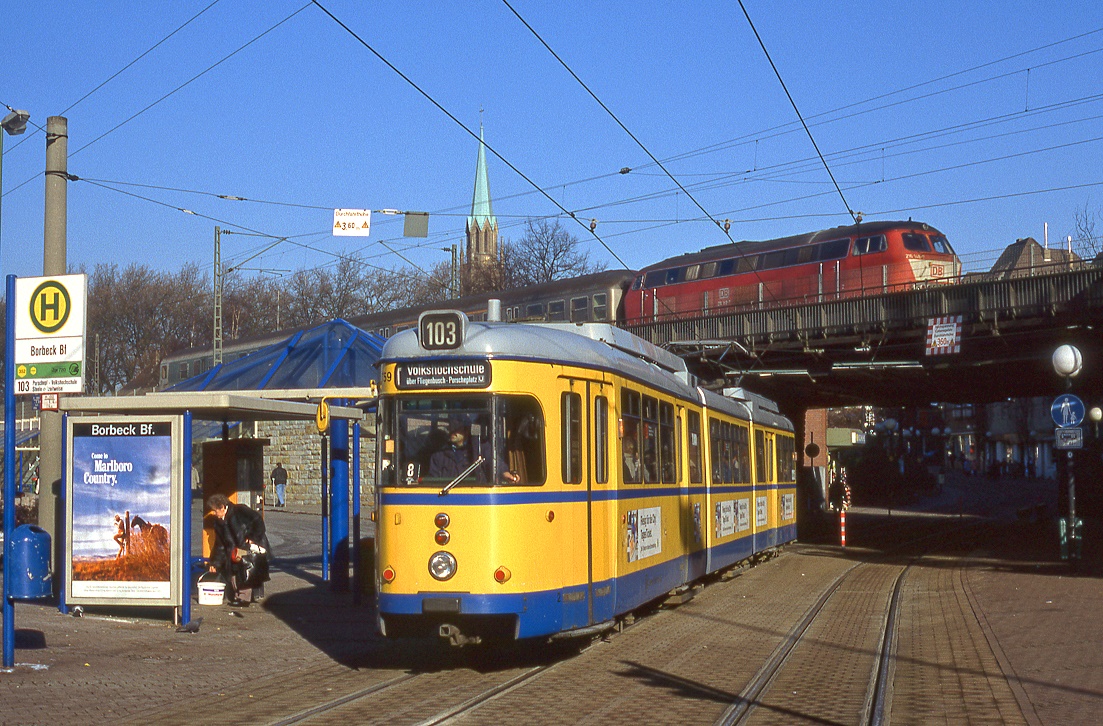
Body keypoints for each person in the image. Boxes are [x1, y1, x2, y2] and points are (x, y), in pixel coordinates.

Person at [205, 493, 271, 606]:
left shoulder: (240, 510)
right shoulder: (218, 523)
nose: (214, 514)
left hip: (247, 545)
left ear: (222, 507)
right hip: (234, 549)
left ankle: (243, 598)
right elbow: (220, 545)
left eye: (215, 511)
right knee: (236, 570)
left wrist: (252, 537)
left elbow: (258, 521)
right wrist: (215, 562)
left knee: (245, 568)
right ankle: (241, 596)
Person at [429, 423, 518, 483]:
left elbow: (493, 462)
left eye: (457, 429)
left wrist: (504, 473)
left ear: (466, 431)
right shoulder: (439, 454)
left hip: (476, 495)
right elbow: (433, 480)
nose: (453, 432)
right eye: (451, 428)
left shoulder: (480, 448)